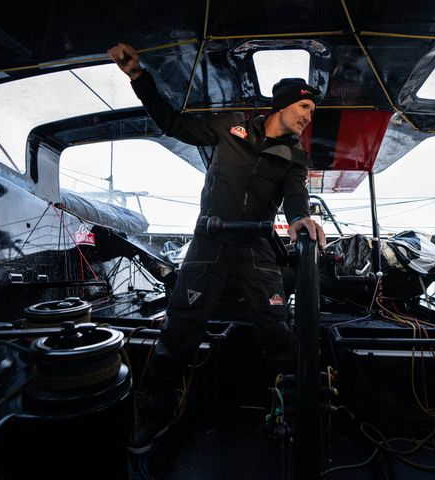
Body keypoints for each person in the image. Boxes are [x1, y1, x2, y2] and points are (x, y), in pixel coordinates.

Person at [107, 42, 326, 451]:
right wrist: (139, 77)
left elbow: (297, 198)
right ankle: (154, 416)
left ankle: (294, 415)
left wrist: (301, 219)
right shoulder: (229, 127)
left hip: (257, 247)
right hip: (209, 242)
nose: (308, 117)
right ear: (282, 105)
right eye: (305, 108)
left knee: (278, 333)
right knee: (179, 331)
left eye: (312, 112)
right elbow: (172, 122)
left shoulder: (295, 156)